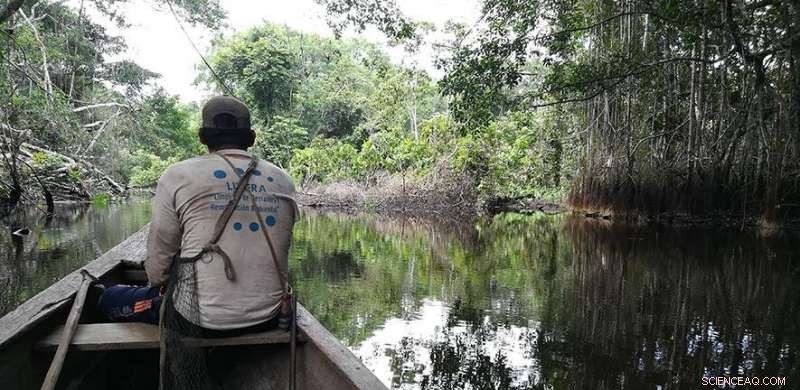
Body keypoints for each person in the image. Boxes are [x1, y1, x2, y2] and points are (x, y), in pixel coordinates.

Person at [96, 96, 297, 336]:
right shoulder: (283, 179)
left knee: (111, 298)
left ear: (202, 136)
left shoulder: (178, 174)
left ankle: (100, 297)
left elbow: (158, 273)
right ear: (251, 138)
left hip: (199, 322)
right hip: (271, 317)